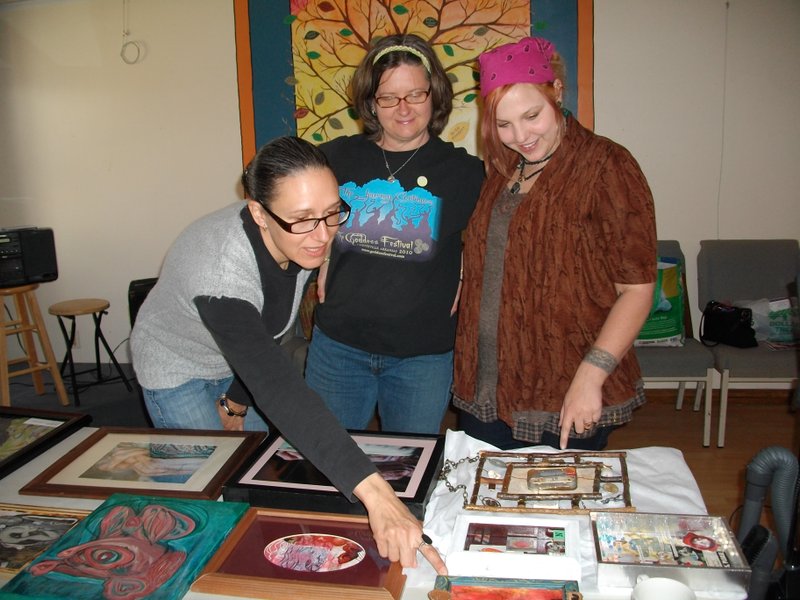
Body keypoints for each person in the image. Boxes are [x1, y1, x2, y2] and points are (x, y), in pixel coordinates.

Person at [130, 136, 445, 573]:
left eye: (332, 212)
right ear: (259, 212)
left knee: (268, 472)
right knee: (211, 491)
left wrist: (236, 400)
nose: (323, 235)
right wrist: (379, 496)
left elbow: (268, 334)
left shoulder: (301, 235)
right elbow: (277, 386)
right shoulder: (222, 269)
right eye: (303, 220)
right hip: (176, 363)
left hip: (238, 354)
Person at [452, 37, 657, 451]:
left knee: (556, 512)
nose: (520, 136)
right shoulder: (504, 169)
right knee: (489, 509)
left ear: (557, 92)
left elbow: (636, 289)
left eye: (531, 116)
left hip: (565, 385)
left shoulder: (607, 166)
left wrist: (591, 375)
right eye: (503, 125)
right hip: (488, 385)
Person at [304, 34, 484, 434]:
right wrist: (318, 252)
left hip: (422, 356)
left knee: (408, 469)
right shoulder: (336, 158)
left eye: (415, 94)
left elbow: (505, 236)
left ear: (434, 96)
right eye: (389, 97)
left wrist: (469, 271)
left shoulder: (467, 173)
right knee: (326, 462)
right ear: (371, 103)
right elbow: (286, 206)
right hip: (339, 347)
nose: (404, 109)